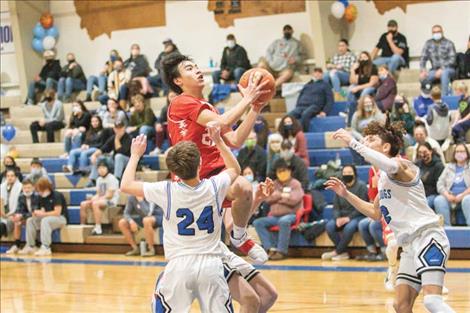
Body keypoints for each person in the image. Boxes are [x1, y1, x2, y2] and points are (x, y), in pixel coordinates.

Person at [326, 120, 455, 313]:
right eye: (365, 139)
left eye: (371, 139)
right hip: (409, 245)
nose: (366, 143)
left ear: (386, 146)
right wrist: (346, 194)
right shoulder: (383, 179)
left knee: (432, 302)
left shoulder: (401, 165)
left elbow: (389, 165)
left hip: (428, 237)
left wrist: (354, 142)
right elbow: (375, 213)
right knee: (400, 306)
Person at [162, 53, 271, 263]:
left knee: (244, 187)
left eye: (196, 66)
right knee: (199, 252)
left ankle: (240, 237)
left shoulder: (209, 107)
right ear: (178, 80)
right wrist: (247, 98)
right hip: (191, 178)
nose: (197, 70)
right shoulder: (181, 102)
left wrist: (255, 109)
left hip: (215, 172)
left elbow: (235, 139)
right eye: (189, 68)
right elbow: (220, 124)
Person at [120, 124, 239, 312]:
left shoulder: (166, 190)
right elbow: (235, 168)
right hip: (211, 265)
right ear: (200, 164)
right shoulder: (215, 186)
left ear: (174, 171)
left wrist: (135, 155)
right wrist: (218, 142)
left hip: (179, 265)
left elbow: (125, 185)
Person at [253, 159, 304, 260]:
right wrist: (284, 196)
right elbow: (268, 199)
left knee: (284, 221)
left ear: (289, 171)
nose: (282, 173)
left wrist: (278, 196)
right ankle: (269, 249)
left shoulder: (295, 184)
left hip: (291, 215)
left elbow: (294, 199)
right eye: (279, 171)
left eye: (284, 170)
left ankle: (281, 252)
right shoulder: (274, 184)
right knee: (258, 222)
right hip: (274, 216)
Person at [322, 165, 368, 261]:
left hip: (357, 215)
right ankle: (343, 252)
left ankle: (337, 252)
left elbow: (362, 206)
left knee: (349, 227)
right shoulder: (340, 186)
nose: (347, 175)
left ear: (354, 174)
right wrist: (338, 218)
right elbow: (336, 207)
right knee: (329, 226)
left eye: (349, 173)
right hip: (342, 215)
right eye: (345, 173)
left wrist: (348, 218)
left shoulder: (362, 186)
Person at [18, 177, 67, 256]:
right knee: (30, 220)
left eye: (40, 190)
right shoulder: (41, 197)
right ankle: (30, 245)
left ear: (46, 188)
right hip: (48, 217)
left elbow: (57, 212)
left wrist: (43, 214)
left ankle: (46, 247)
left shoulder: (56, 195)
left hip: (61, 219)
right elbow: (43, 210)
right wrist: (37, 213)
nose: (38, 192)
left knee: (45, 220)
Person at [258, 24, 305, 89]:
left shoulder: (297, 43)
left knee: (289, 73)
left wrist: (295, 60)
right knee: (261, 65)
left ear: (292, 31)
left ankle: (271, 88)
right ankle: (259, 88)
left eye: (288, 30)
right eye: (285, 30)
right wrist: (270, 61)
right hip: (271, 67)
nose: (287, 31)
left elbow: (302, 56)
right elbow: (268, 51)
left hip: (284, 69)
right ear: (283, 31)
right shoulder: (277, 42)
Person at [80, 159, 119, 235]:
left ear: (107, 168)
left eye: (103, 168)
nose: (101, 170)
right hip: (101, 199)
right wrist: (94, 198)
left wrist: (96, 199)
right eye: (99, 168)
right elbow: (99, 193)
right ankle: (83, 226)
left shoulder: (112, 178)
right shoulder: (99, 179)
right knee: (83, 204)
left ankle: (98, 228)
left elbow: (109, 195)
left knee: (95, 204)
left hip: (111, 201)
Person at [435, 143, 470, 226]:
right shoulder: (449, 167)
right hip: (450, 196)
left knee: (467, 200)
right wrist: (447, 195)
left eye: (462, 151)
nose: (459, 153)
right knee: (438, 200)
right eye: (457, 151)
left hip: (466, 196)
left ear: (467, 153)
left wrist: (462, 195)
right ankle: (447, 229)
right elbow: (440, 183)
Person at [4, 179, 40, 254]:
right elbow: (19, 210)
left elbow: (34, 212)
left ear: (33, 188)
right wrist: (17, 216)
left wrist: (21, 216)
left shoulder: (37, 196)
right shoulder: (21, 196)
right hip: (27, 217)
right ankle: (16, 245)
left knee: (28, 220)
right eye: (25, 188)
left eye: (28, 188)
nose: (26, 190)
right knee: (17, 221)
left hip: (37, 217)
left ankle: (31, 244)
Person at [419, 25, 456, 96]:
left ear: (442, 32)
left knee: (444, 73)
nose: (436, 33)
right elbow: (423, 58)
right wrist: (423, 70)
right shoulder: (428, 43)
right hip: (434, 70)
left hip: (449, 69)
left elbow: (452, 60)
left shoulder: (449, 43)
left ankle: (443, 99)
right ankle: (428, 98)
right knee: (423, 77)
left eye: (438, 31)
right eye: (434, 32)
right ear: (432, 33)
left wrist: (442, 69)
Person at [347, 51, 379, 125]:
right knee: (351, 89)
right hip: (360, 88)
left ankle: (360, 105)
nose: (363, 59)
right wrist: (352, 70)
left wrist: (358, 88)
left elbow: (372, 83)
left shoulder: (373, 67)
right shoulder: (359, 68)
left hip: (371, 88)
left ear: (368, 58)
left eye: (365, 57)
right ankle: (349, 117)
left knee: (366, 90)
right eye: (361, 57)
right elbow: (353, 82)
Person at [416, 142, 445, 210]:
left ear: (431, 151)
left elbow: (438, 186)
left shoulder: (438, 166)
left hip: (433, 194)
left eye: (425, 152)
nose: (422, 154)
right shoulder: (417, 164)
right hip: (420, 194)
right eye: (420, 152)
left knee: (423, 204)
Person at [0, 169, 23, 238]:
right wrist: (2, 213)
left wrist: (10, 214)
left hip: (15, 212)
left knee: (7, 222)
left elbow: (21, 205)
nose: (9, 178)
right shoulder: (2, 187)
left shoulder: (21, 187)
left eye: (12, 176)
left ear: (16, 177)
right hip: (3, 212)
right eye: (8, 176)